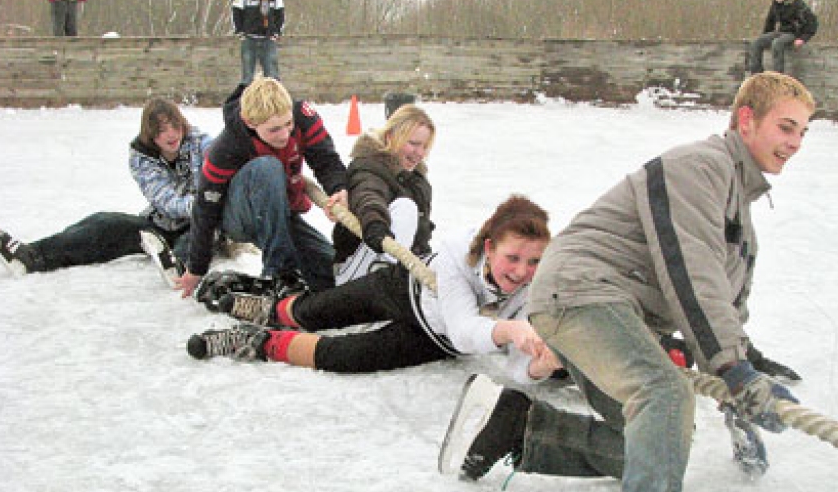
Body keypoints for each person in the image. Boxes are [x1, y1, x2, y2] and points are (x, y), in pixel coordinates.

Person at [438, 72, 815, 492]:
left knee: (652, 441)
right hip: (583, 292)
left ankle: (517, 428)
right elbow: (692, 274)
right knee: (662, 393)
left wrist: (744, 382)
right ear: (746, 120)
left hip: (606, 306)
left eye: (804, 132)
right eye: (786, 127)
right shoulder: (700, 168)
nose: (795, 143)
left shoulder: (741, 209)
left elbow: (725, 301)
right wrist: (729, 366)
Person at [187, 195, 560, 384]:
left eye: (534, 262)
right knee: (321, 310)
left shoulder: (536, 287)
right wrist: (511, 329)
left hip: (432, 337)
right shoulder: (456, 255)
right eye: (513, 257)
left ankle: (257, 342)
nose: (522, 271)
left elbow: (516, 367)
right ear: (490, 248)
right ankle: (269, 309)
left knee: (346, 355)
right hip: (404, 289)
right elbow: (466, 330)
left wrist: (539, 366)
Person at [0, 98, 208, 284]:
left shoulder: (201, 144)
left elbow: (223, 155)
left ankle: (180, 267)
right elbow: (164, 198)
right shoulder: (142, 158)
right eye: (162, 129)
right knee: (103, 223)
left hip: (203, 223)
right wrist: (198, 204)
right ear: (151, 134)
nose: (171, 134)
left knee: (198, 234)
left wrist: (207, 207)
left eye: (174, 126)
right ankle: (32, 256)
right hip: (162, 224)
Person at [175, 77, 348, 299]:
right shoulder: (228, 146)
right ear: (249, 123)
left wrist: (339, 189)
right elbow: (205, 207)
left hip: (280, 214)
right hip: (240, 216)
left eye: (288, 124)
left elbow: (326, 160)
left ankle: (291, 274)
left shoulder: (303, 118)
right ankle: (279, 274)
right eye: (274, 130)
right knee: (267, 167)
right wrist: (196, 267)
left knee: (331, 272)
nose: (285, 135)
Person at [332, 103, 436, 285]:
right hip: (358, 267)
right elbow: (368, 196)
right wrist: (375, 226)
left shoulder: (418, 182)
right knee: (405, 207)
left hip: (402, 267)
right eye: (413, 144)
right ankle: (384, 271)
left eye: (425, 147)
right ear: (390, 137)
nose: (419, 153)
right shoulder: (368, 167)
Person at [748, 0, 818, 76]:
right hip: (781, 32)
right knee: (756, 43)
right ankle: (757, 74)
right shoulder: (775, 4)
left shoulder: (797, 4)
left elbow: (813, 22)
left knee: (777, 43)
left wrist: (803, 39)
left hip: (794, 33)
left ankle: (778, 76)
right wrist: (765, 38)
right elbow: (770, 22)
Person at [232, 0, 284, 85]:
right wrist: (240, 32)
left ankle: (273, 104)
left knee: (272, 78)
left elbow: (280, 13)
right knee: (247, 78)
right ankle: (245, 103)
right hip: (249, 39)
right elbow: (236, 11)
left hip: (268, 39)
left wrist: (276, 32)